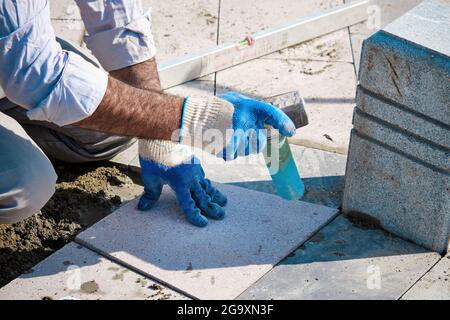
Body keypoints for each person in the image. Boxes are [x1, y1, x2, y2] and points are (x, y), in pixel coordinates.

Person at [0, 0, 295, 227]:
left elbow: (116, 15)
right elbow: (34, 73)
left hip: (8, 56)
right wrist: (191, 118)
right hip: (16, 61)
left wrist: (160, 140)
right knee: (25, 186)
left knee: (114, 129)